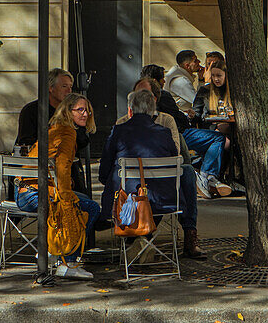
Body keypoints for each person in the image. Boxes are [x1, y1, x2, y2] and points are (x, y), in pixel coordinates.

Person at [103, 88, 206, 259]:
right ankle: (189, 233)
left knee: (185, 171)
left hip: (128, 203)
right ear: (153, 110)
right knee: (186, 170)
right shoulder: (163, 133)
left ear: (131, 109)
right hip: (165, 200)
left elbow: (104, 170)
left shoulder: (118, 131)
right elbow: (174, 160)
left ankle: (139, 238)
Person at [17, 92, 101, 280]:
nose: (85, 114)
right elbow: (62, 168)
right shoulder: (67, 132)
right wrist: (66, 198)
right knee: (91, 208)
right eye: (80, 110)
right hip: (36, 195)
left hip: (25, 192)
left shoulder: (56, 128)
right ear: (67, 111)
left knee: (84, 200)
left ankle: (55, 251)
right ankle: (68, 262)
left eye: (87, 110)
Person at [142, 63, 231, 198]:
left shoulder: (137, 97)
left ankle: (207, 177)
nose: (164, 81)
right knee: (217, 138)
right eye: (162, 79)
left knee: (211, 143)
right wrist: (186, 119)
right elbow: (176, 117)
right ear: (155, 81)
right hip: (178, 134)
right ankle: (207, 176)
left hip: (153, 140)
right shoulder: (162, 95)